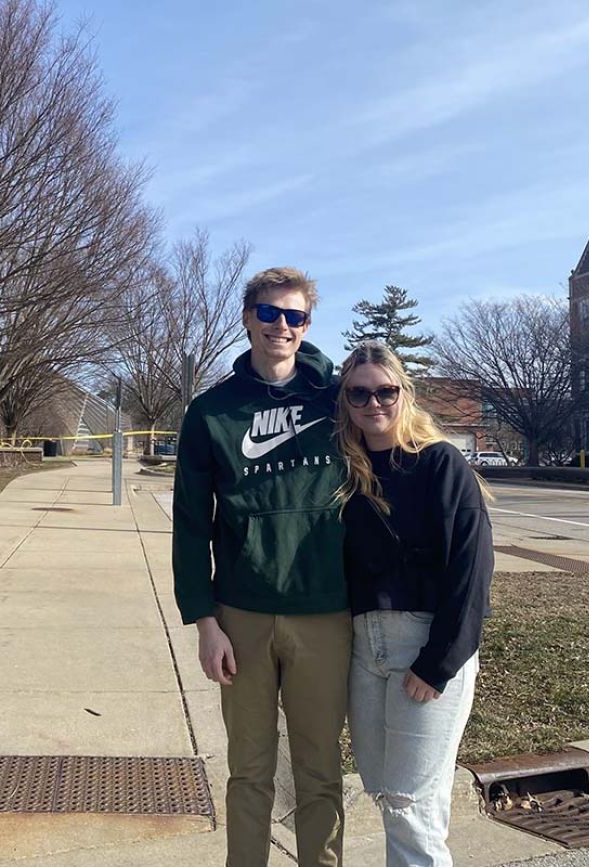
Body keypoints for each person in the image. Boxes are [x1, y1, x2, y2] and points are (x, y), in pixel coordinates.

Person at [173, 267, 352, 867]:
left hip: (325, 612)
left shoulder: (337, 400)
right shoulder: (211, 413)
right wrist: (204, 621)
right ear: (248, 318)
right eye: (270, 313)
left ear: (307, 325)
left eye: (295, 316)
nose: (282, 325)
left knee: (320, 769)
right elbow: (192, 524)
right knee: (248, 770)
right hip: (241, 615)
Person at [335, 340, 494, 867]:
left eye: (385, 390)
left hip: (423, 648)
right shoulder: (347, 473)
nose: (373, 403)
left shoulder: (439, 463)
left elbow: (470, 571)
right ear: (345, 401)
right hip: (364, 652)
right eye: (359, 394)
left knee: (410, 806)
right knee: (391, 795)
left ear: (405, 393)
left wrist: (438, 662)